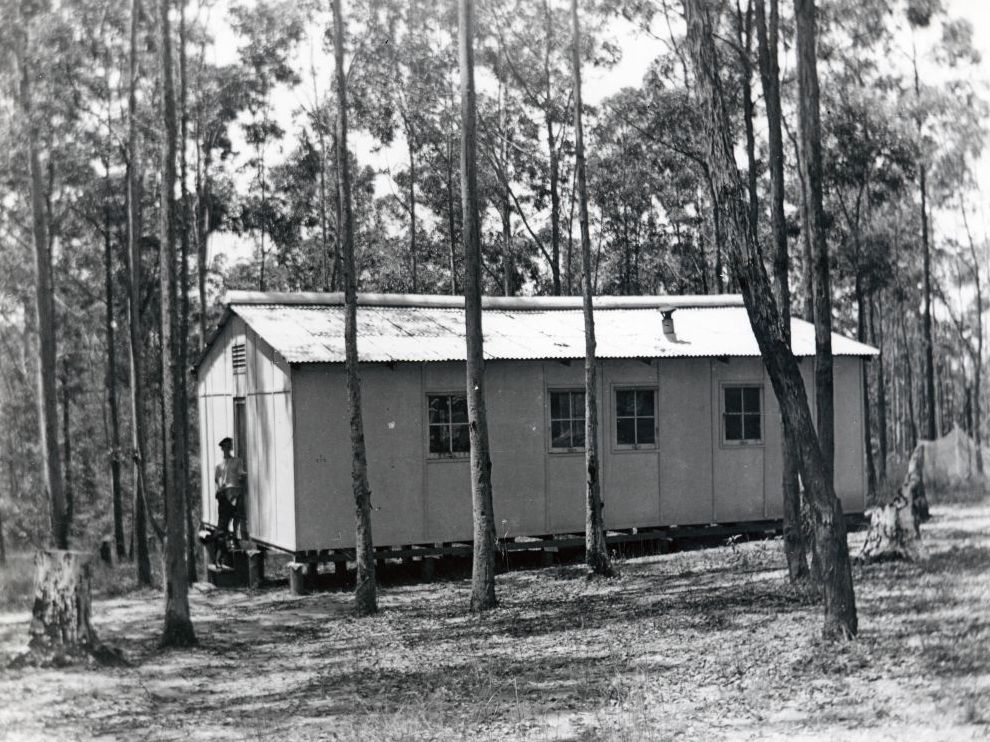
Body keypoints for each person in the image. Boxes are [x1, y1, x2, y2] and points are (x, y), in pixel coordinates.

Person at [214, 436, 246, 567]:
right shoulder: (219, 466)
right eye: (226, 446)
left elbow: (241, 473)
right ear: (222, 448)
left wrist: (244, 476)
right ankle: (225, 548)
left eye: (230, 446)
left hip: (236, 491)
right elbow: (217, 480)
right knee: (224, 522)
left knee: (237, 516)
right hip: (225, 494)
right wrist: (218, 490)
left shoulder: (237, 461)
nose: (228, 448)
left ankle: (234, 538)